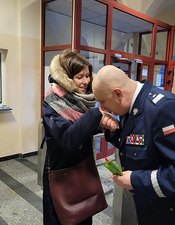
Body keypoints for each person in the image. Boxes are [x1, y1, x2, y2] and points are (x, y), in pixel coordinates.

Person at [92, 65, 175, 225]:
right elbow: (142, 146)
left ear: (118, 94)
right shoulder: (130, 108)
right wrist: (113, 131)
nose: (102, 108)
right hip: (156, 210)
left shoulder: (164, 108)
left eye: (102, 102)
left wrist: (136, 180)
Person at [42, 51, 118, 225]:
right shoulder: (53, 102)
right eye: (79, 77)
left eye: (87, 76)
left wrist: (108, 125)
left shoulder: (82, 100)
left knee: (83, 215)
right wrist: (94, 115)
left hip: (82, 168)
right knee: (63, 217)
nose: (86, 81)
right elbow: (66, 141)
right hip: (61, 172)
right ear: (66, 78)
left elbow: (87, 127)